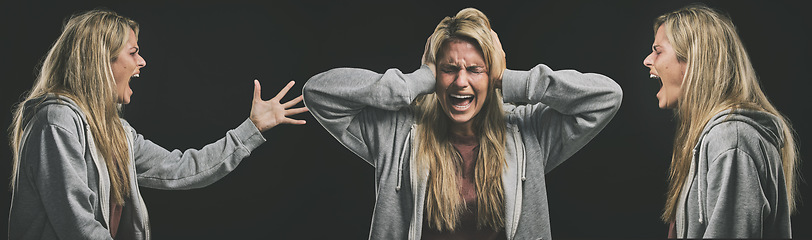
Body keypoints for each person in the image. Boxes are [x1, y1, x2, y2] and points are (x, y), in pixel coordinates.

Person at [303, 8, 621, 239]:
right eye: (449, 69)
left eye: (475, 69)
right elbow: (319, 92)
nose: (461, 82)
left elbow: (606, 96)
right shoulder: (398, 133)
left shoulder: (528, 132)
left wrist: (509, 79)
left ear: (491, 75)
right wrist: (414, 81)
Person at [8, 9, 308, 239]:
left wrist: (252, 128)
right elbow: (77, 225)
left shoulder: (117, 133)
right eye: (133, 52)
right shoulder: (57, 121)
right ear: (101, 60)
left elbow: (183, 169)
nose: (142, 63)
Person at [643, 4, 799, 238]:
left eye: (658, 51)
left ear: (693, 61)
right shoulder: (718, 138)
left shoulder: (731, 140)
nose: (647, 60)